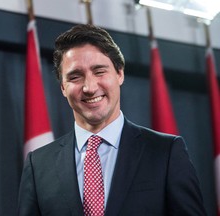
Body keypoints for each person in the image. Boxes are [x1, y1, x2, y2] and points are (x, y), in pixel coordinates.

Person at [18, 24, 207, 216]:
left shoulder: (165, 152)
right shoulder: (39, 165)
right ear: (63, 88)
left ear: (120, 74)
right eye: (75, 77)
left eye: (99, 71)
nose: (89, 87)